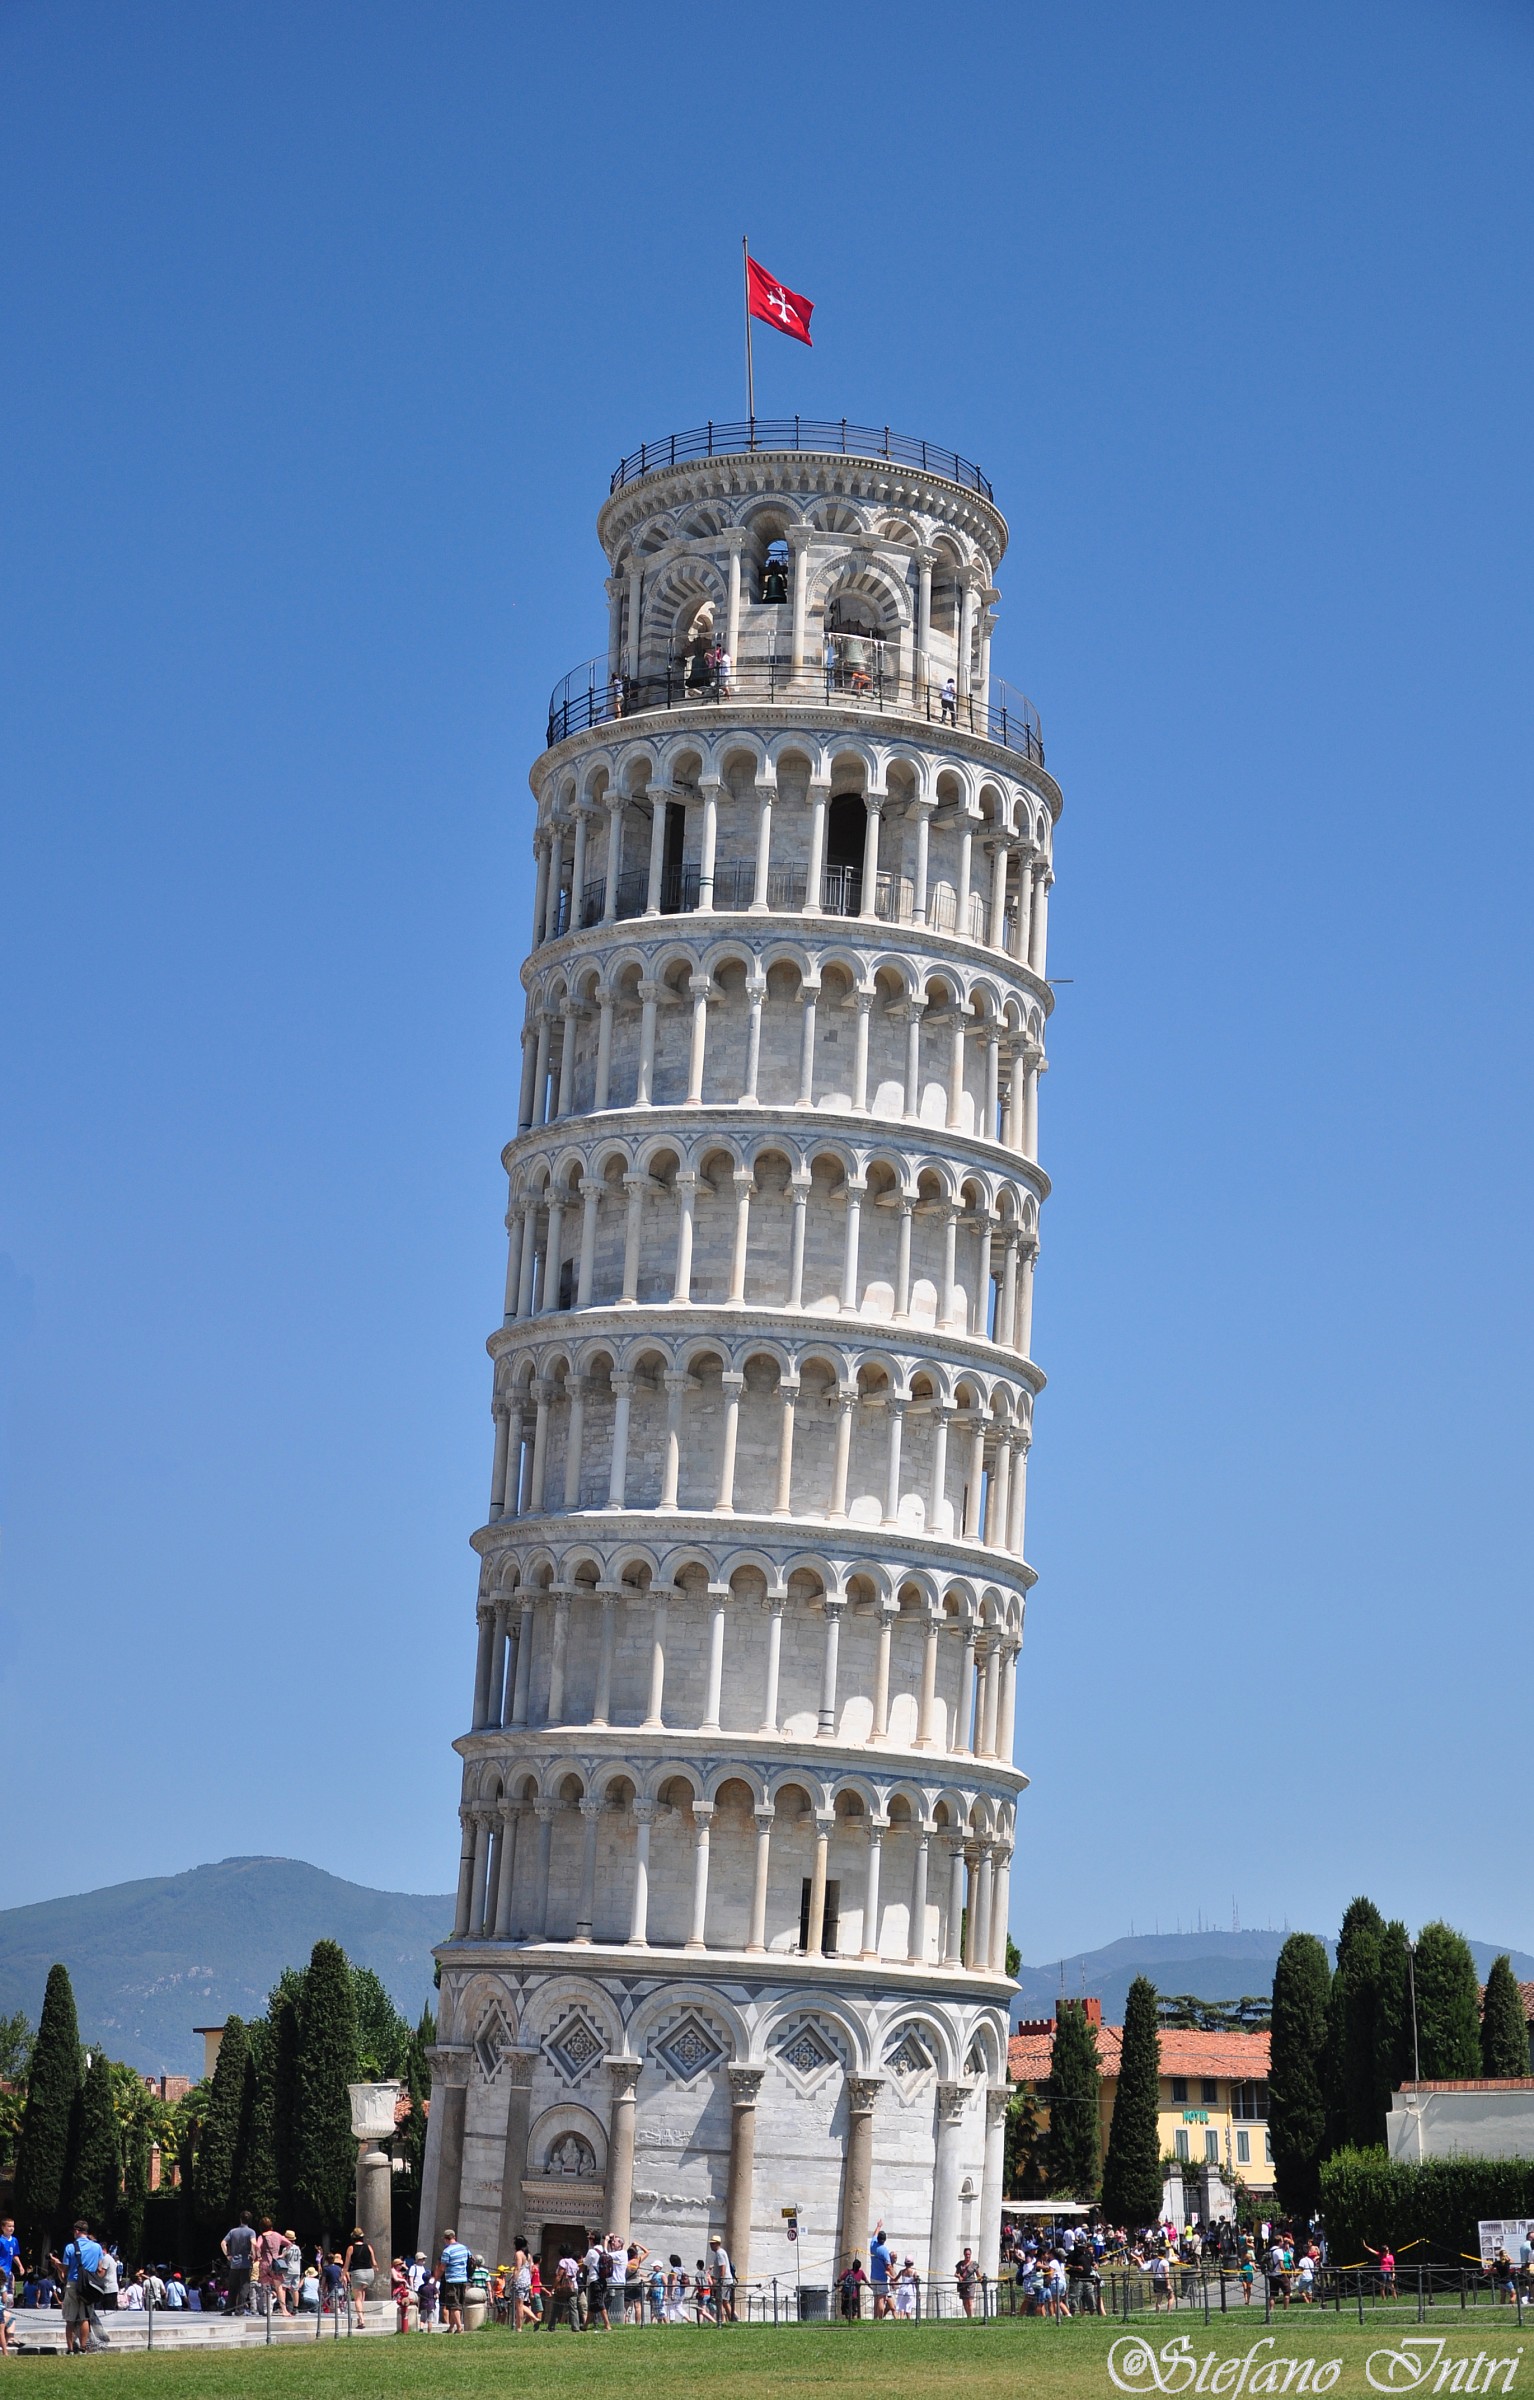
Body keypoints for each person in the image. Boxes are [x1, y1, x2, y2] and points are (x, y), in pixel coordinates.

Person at [54, 2221, 108, 2355]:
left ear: (77, 2231)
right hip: (88, 2285)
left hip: (73, 2283)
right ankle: (83, 2348)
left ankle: (70, 2348)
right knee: (85, 2317)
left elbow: (65, 2269)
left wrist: (56, 2264)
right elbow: (99, 2268)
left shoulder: (70, 2247)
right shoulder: (96, 2247)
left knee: (70, 2318)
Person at [222, 2213, 257, 2314]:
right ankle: (239, 2309)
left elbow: (223, 2243)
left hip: (234, 2264)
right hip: (246, 2263)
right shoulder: (251, 2232)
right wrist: (254, 2255)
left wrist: (228, 2254)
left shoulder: (233, 2231)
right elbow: (253, 2243)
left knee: (232, 2287)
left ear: (240, 2219)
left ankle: (229, 2310)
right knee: (244, 2287)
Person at [439, 2230, 470, 2333]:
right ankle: (451, 2328)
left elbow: (442, 2267)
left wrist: (436, 2277)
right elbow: (471, 2260)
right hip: (463, 2279)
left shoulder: (447, 2251)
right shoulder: (464, 2248)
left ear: (446, 2239)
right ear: (454, 2237)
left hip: (452, 2280)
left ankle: (459, 2327)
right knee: (458, 2304)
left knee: (453, 2304)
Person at [345, 2226, 377, 2325]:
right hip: (369, 2273)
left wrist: (343, 2275)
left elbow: (346, 2264)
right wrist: (375, 2268)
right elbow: (374, 2262)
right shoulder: (369, 2247)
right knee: (362, 2292)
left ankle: (361, 2320)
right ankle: (361, 2313)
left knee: (357, 2298)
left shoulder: (351, 2248)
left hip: (358, 2273)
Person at [257, 2219, 288, 2316]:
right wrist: (282, 2255)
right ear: (271, 2226)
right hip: (276, 2264)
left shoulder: (261, 2237)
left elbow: (257, 2246)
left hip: (265, 2263)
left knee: (266, 2287)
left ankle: (268, 2310)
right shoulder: (277, 2235)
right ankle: (284, 2310)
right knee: (279, 2287)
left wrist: (258, 2255)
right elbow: (289, 2244)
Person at [869, 2221, 893, 2318]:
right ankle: (880, 2319)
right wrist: (893, 2277)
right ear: (884, 2240)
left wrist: (878, 2226)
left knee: (876, 2298)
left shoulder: (872, 2244)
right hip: (881, 2278)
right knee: (881, 2299)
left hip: (873, 2276)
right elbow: (888, 2266)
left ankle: (875, 2318)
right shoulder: (884, 2251)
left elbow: (874, 2234)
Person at [708, 2233, 732, 2323]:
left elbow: (723, 2266)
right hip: (726, 2280)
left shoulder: (719, 2253)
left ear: (717, 2243)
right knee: (725, 2302)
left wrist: (721, 2279)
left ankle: (721, 2320)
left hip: (723, 2281)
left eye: (713, 2243)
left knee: (720, 2301)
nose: (711, 2245)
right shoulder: (721, 2252)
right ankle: (731, 2320)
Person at [839, 2253, 867, 2320]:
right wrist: (872, 2287)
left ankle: (848, 2322)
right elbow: (866, 2281)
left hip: (846, 2294)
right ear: (859, 2266)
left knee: (846, 2309)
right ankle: (853, 2321)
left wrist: (838, 2287)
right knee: (854, 2310)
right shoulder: (861, 2272)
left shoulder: (847, 2272)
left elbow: (839, 2279)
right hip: (855, 2295)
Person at [954, 2245, 980, 2318]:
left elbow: (978, 2274)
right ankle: (968, 2316)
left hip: (970, 2284)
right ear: (964, 2254)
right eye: (966, 2254)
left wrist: (981, 2280)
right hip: (962, 2284)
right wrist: (959, 2276)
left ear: (970, 2254)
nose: (967, 2256)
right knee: (964, 2301)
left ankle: (971, 2317)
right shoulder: (960, 2264)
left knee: (969, 2301)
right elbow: (956, 2273)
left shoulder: (974, 2264)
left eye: (969, 2254)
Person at [0, 2218, 20, 2305]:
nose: (11, 2228)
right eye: (9, 2226)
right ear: (3, 2228)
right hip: (1, 2269)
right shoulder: (1, 2241)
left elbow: (14, 2255)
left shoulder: (14, 2240)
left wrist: (20, 2266)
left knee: (6, 2292)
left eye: (13, 2226)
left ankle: (4, 2310)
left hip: (8, 2270)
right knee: (2, 2290)